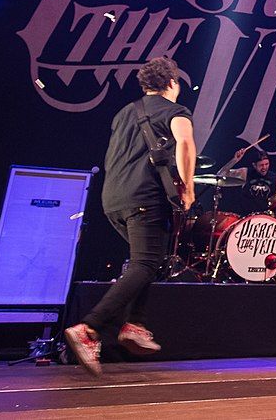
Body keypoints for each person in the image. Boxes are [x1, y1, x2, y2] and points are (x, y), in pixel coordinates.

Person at [64, 56, 197, 376]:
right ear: (171, 83)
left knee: (146, 260)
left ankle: (135, 325)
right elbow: (186, 145)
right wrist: (188, 189)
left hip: (112, 200)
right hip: (144, 199)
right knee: (147, 263)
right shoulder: (175, 111)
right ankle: (90, 328)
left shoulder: (125, 112)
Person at [218, 148, 276, 215]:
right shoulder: (245, 172)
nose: (264, 167)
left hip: (265, 219)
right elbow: (220, 175)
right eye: (261, 165)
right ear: (254, 165)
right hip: (246, 216)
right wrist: (235, 160)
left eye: (267, 164)